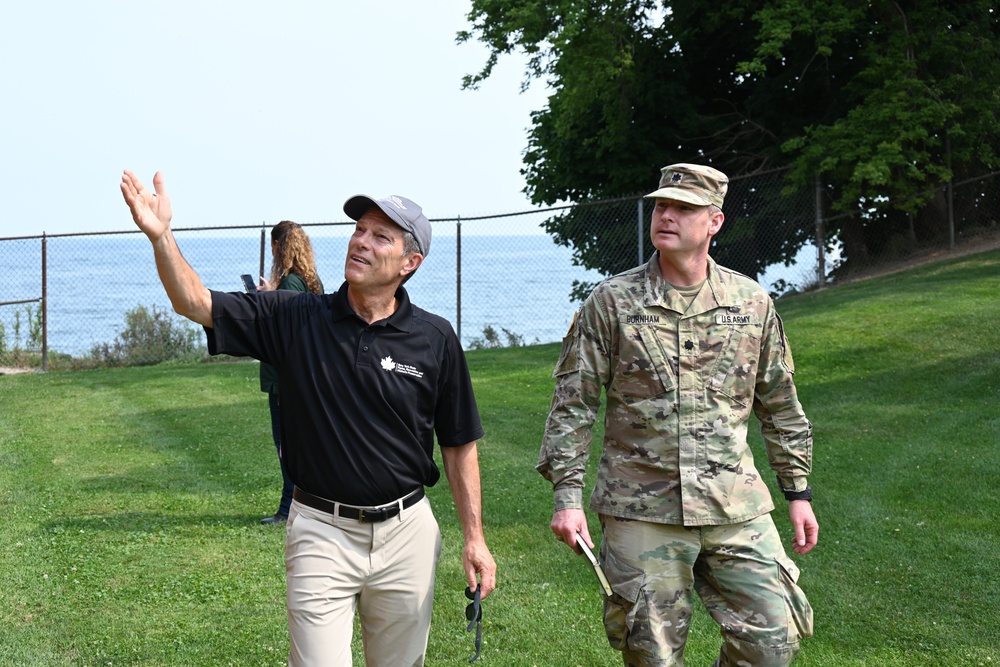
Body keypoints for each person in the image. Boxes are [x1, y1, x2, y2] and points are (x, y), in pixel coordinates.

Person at [120, 170, 497, 667]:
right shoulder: (295, 318)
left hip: (408, 533)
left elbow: (458, 443)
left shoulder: (435, 338)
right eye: (359, 229)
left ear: (410, 262)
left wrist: (475, 538)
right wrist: (161, 235)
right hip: (322, 531)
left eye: (380, 236)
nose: (360, 242)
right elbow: (195, 302)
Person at [537, 163, 817, 666]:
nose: (666, 215)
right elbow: (573, 404)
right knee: (652, 655)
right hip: (641, 508)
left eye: (683, 208)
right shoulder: (613, 301)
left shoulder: (751, 302)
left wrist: (797, 492)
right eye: (662, 205)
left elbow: (778, 401)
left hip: (734, 505)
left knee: (774, 638)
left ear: (715, 222)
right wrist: (567, 496)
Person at [256, 220, 324, 525]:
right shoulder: (310, 281)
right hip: (303, 376)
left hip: (286, 381)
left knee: (285, 445)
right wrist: (271, 295)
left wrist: (264, 302)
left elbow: (285, 331)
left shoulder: (291, 284)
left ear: (277, 246)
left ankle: (289, 508)